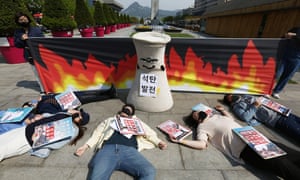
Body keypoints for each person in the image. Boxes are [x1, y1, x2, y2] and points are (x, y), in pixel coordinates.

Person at [169, 105, 300, 180]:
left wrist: (223, 110)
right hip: (245, 149)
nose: (198, 113)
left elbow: (230, 119)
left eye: (199, 111)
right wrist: (181, 140)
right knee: (281, 164)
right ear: (196, 120)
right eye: (195, 114)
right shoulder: (202, 127)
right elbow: (202, 144)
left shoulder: (216, 116)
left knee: (293, 154)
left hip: (256, 138)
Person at [75, 103, 168, 180]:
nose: (126, 111)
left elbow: (149, 132)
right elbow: (97, 133)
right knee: (96, 177)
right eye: (125, 109)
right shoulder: (110, 120)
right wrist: (85, 146)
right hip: (108, 150)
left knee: (149, 171)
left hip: (129, 151)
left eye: (129, 111)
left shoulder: (136, 122)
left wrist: (158, 142)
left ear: (132, 114)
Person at [0, 86, 116, 135]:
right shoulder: (39, 111)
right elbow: (52, 116)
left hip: (58, 100)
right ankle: (107, 93)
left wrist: (41, 99)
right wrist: (70, 111)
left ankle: (106, 92)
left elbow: (41, 104)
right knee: (83, 96)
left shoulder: (40, 108)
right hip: (60, 102)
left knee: (82, 95)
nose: (31, 103)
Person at [0, 111, 89, 162]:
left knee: (2, 150)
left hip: (26, 140)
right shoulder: (66, 115)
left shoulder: (73, 129)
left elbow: (58, 143)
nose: (77, 113)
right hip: (24, 129)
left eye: (79, 116)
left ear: (80, 121)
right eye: (79, 112)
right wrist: (41, 116)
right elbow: (49, 117)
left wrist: (38, 140)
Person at [223, 94, 300, 143]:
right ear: (229, 101)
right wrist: (255, 106)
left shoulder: (245, 96)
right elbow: (245, 117)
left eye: (232, 94)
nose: (232, 96)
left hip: (285, 113)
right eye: (229, 97)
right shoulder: (237, 107)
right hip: (277, 120)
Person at [14, 12, 45, 92]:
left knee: (45, 72)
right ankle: (43, 90)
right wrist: (21, 39)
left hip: (41, 55)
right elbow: (17, 45)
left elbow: (44, 41)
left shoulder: (36, 30)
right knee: (37, 74)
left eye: (25, 18)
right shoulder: (18, 32)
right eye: (21, 20)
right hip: (30, 56)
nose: (23, 21)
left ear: (28, 19)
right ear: (18, 22)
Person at [272, 27, 300, 99]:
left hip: (297, 58)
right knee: (276, 73)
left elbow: (295, 36)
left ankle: (276, 91)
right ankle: (267, 90)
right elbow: (284, 36)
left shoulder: (295, 33)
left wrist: (295, 36)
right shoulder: (296, 29)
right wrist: (286, 35)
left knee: (287, 76)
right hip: (284, 55)